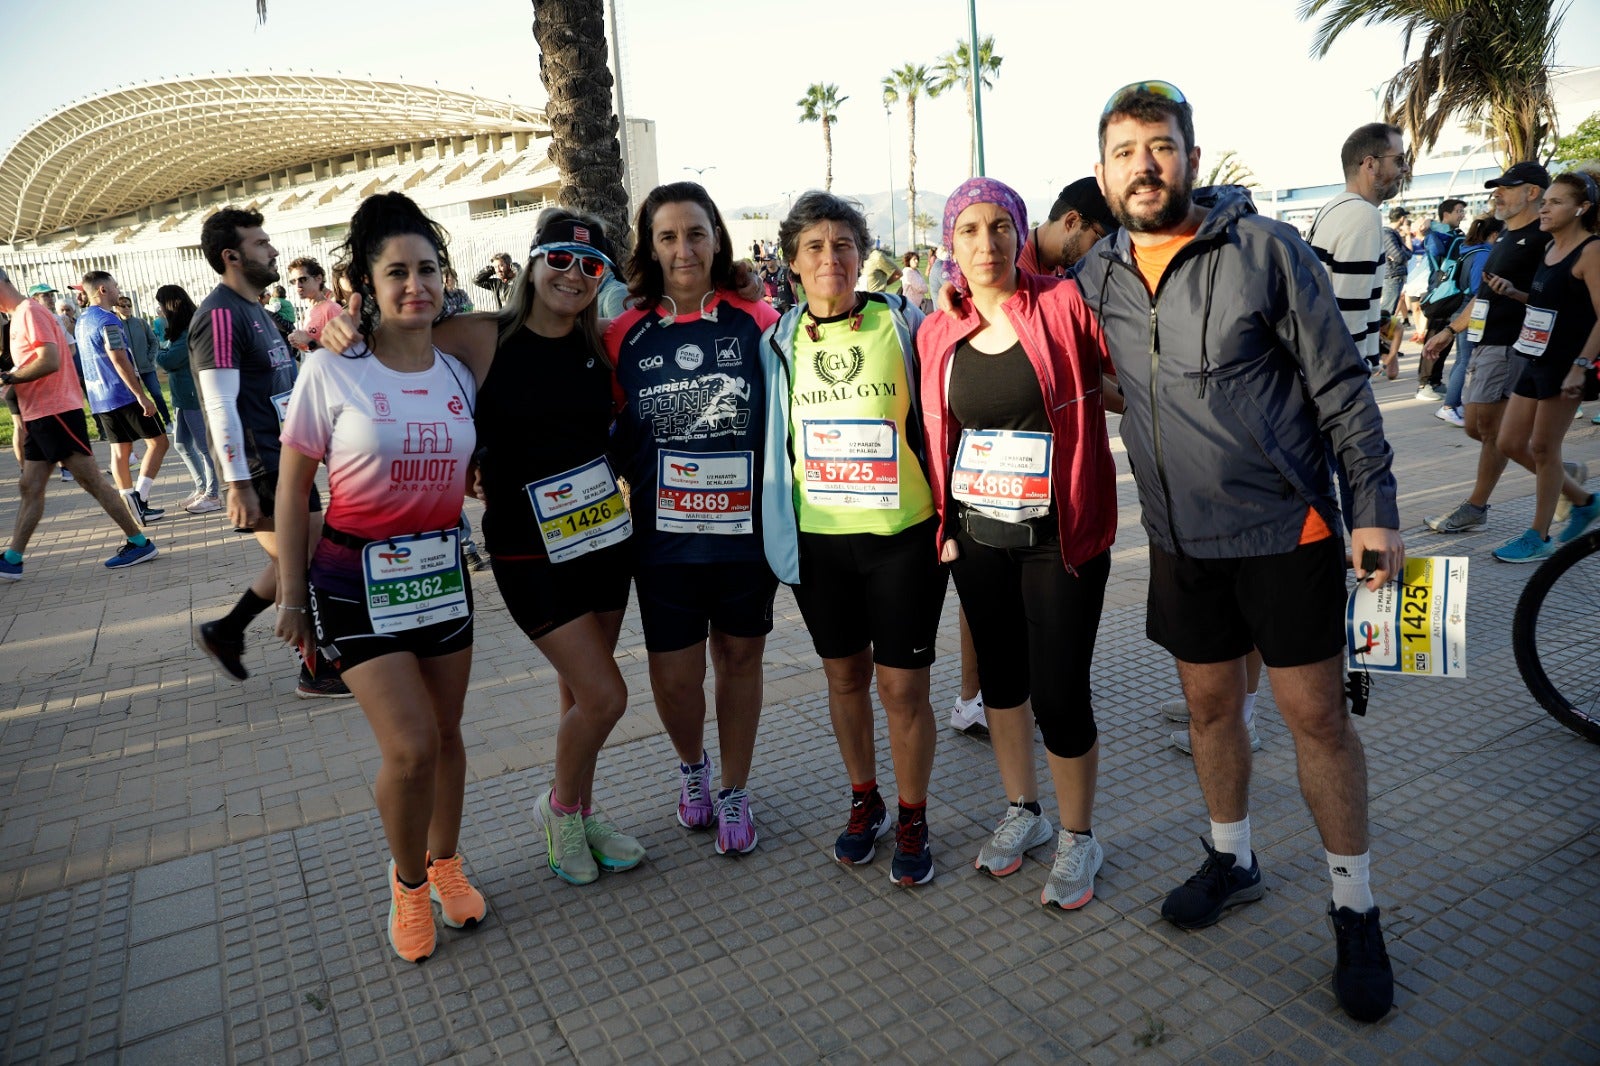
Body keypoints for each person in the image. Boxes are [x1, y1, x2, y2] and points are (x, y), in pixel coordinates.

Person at [1076, 81, 1402, 1022]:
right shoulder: (1098, 274)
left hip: (1284, 531)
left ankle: (1355, 905)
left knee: (1317, 720)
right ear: (1102, 173)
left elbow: (1341, 387)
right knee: (1210, 708)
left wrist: (1373, 507)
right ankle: (1234, 855)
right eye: (1127, 149)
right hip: (1181, 542)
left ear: (1191, 155)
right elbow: (1099, 367)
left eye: (1162, 145)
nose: (1146, 164)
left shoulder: (1265, 251)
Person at [273, 191, 486, 964]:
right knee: (410, 748)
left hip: (440, 574)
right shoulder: (332, 370)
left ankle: (447, 862)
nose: (415, 286)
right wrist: (292, 594)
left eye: (427, 269)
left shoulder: (460, 369)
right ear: (364, 283)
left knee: (451, 736)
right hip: (352, 580)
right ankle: (406, 882)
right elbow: (294, 490)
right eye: (396, 272)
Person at [922, 177, 1120, 909]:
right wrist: (944, 527)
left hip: (1059, 536)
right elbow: (938, 435)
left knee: (1061, 690)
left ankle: (1078, 834)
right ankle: (1022, 812)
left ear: (1019, 231)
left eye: (998, 226)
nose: (985, 243)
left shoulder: (1064, 305)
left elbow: (1121, 377)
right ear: (951, 244)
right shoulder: (938, 328)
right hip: (979, 536)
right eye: (968, 230)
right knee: (1002, 683)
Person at [759, 191, 945, 886]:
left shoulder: (902, 321)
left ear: (862, 256)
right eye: (815, 247)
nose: (831, 257)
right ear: (793, 263)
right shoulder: (775, 340)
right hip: (819, 540)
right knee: (844, 677)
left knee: (903, 688)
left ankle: (914, 810)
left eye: (843, 245)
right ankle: (863, 798)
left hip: (902, 534)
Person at [605, 181, 780, 856]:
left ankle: (735, 788)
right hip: (663, 543)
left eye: (696, 233)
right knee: (676, 680)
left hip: (744, 539)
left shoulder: (757, 320)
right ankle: (693, 771)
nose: (684, 248)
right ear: (650, 247)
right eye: (669, 236)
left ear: (717, 239)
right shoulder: (623, 331)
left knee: (739, 660)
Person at [190, 207, 349, 699]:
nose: (273, 250)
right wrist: (237, 481)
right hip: (261, 465)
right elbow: (218, 403)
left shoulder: (256, 309)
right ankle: (318, 668)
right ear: (231, 256)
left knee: (299, 560)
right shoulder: (219, 313)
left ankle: (228, 631)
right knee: (307, 563)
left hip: (286, 460)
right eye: (261, 244)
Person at [0, 267, 158, 579]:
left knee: (92, 481)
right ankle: (12, 558)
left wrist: (9, 377)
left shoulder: (31, 311)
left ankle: (139, 542)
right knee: (29, 486)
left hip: (55, 410)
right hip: (40, 413)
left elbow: (51, 360)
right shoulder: (19, 316)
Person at [1423, 163, 1554, 534]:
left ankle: (1478, 505)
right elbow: (1480, 296)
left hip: (1511, 344)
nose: (1496, 194)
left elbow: (1556, 297)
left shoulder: (1543, 238)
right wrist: (1449, 331)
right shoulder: (1504, 239)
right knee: (1479, 428)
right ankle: (1563, 479)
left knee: (1492, 429)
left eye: (1506, 188)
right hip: (1483, 341)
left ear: (1532, 192)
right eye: (1495, 188)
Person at [1488, 169, 1600, 562]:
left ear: (1582, 208)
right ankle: (1584, 500)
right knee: (1509, 442)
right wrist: (1515, 292)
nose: (1545, 208)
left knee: (1542, 447)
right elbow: (1547, 305)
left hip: (1566, 363)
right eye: (1545, 200)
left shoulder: (1591, 251)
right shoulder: (1550, 247)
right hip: (1535, 356)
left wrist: (1581, 366)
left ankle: (1539, 536)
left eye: (1555, 202)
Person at [1307, 123, 1408, 378]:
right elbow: (1349, 311)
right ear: (1370, 164)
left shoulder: (1333, 208)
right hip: (1343, 374)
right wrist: (1356, 377)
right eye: (1399, 160)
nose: (1405, 169)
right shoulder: (1363, 216)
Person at [76, 271, 171, 525]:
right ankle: (139, 498)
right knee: (159, 443)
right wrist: (141, 395)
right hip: (122, 394)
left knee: (120, 450)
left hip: (99, 397)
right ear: (103, 290)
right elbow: (118, 357)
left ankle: (132, 504)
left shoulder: (82, 319)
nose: (119, 290)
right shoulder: (108, 320)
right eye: (115, 286)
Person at [154, 285, 221, 514]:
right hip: (182, 397)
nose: (159, 310)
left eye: (161, 304)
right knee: (182, 444)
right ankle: (202, 488)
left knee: (204, 447)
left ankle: (213, 495)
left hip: (193, 397)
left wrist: (158, 350)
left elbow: (169, 360)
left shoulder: (189, 330)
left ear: (170, 304)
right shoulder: (180, 328)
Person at [1435, 215, 1503, 426]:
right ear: (1493, 235)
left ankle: (1452, 405)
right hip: (1469, 310)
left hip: (1460, 308)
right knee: (1465, 360)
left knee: (1461, 359)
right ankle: (1450, 406)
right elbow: (1477, 289)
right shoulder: (1483, 254)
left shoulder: (1468, 250)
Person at [1416, 199, 1469, 397]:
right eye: (1458, 211)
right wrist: (1433, 224)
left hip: (1450, 292)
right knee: (1434, 337)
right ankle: (1425, 384)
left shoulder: (1452, 235)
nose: (1462, 215)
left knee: (1444, 339)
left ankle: (1435, 381)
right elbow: (1436, 250)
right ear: (1445, 214)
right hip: (1440, 292)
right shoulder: (1437, 234)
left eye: (1463, 211)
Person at [1017, 177, 1117, 279]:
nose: (1101, 251)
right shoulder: (1013, 263)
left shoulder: (1063, 266)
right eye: (1100, 240)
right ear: (1071, 221)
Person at [112, 295, 172, 428]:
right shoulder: (115, 325)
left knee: (157, 394)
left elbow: (154, 341)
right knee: (136, 399)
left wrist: (150, 358)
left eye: (129, 305)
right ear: (116, 308)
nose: (127, 308)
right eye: (123, 305)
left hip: (147, 367)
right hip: (129, 370)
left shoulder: (141, 322)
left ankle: (168, 421)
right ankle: (149, 427)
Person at [285, 257, 343, 353]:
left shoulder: (332, 309)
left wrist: (310, 341)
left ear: (318, 278)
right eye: (293, 281)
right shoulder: (308, 312)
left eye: (302, 279)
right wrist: (299, 343)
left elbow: (343, 347)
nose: (298, 285)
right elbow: (311, 349)